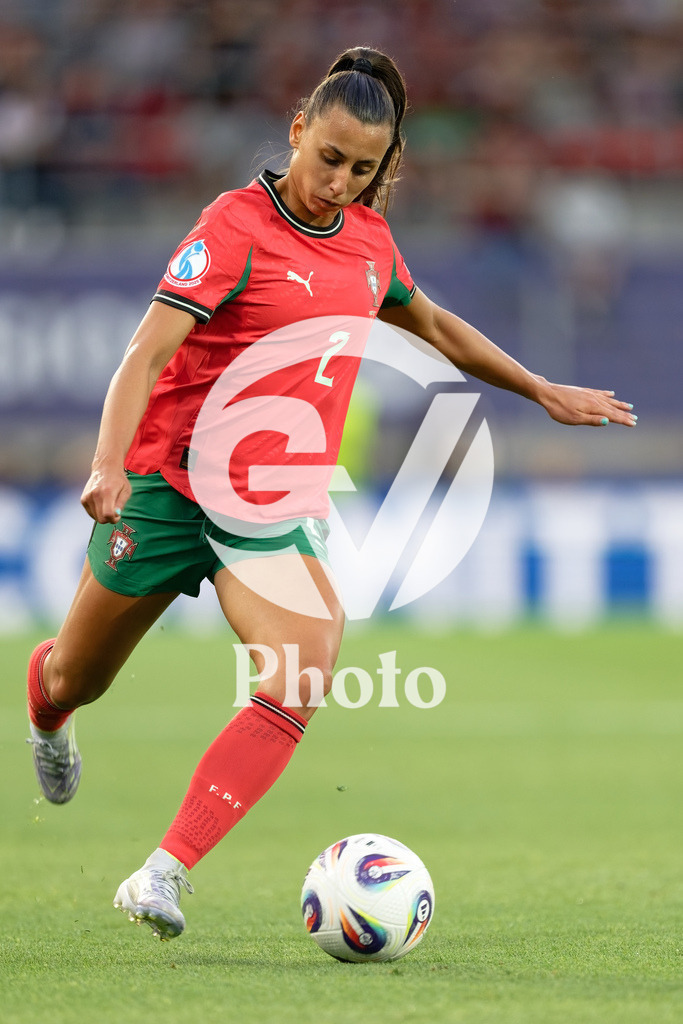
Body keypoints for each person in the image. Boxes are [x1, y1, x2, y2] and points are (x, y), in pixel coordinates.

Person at [26, 46, 636, 942]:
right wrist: (106, 463)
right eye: (328, 159)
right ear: (297, 130)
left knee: (301, 670)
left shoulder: (369, 243)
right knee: (75, 675)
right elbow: (145, 353)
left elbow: (432, 326)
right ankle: (48, 719)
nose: (339, 183)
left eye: (361, 169)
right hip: (165, 487)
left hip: (266, 510)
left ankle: (162, 874)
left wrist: (539, 388)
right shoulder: (233, 226)